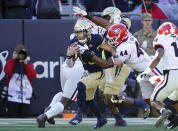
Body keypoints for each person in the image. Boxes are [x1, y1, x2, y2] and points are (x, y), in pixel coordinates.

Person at [138, 22, 178, 129]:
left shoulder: (162, 39)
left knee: (153, 100)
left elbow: (158, 56)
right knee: (169, 101)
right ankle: (174, 120)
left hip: (172, 74)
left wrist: (146, 71)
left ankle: (163, 111)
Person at [4, 45, 37, 117]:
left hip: (25, 99)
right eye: (19, 53)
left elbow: (33, 75)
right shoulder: (11, 63)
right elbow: (7, 71)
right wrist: (13, 60)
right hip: (13, 98)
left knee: (26, 118)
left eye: (23, 53)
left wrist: (26, 64)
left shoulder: (29, 65)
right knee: (12, 117)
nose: (21, 55)